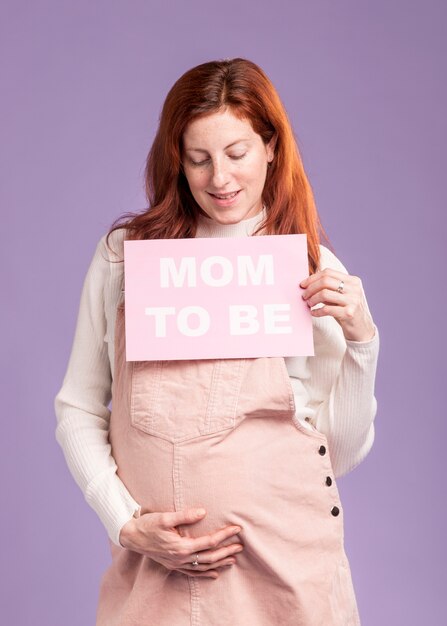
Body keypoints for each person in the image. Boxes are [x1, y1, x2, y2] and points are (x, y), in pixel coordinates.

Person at [55, 58, 379, 625]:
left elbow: (338, 455)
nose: (220, 180)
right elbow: (78, 407)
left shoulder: (308, 268)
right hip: (158, 577)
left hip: (287, 574)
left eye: (237, 154)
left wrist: (362, 344)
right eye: (198, 159)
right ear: (176, 159)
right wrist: (124, 522)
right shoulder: (124, 259)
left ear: (271, 147)